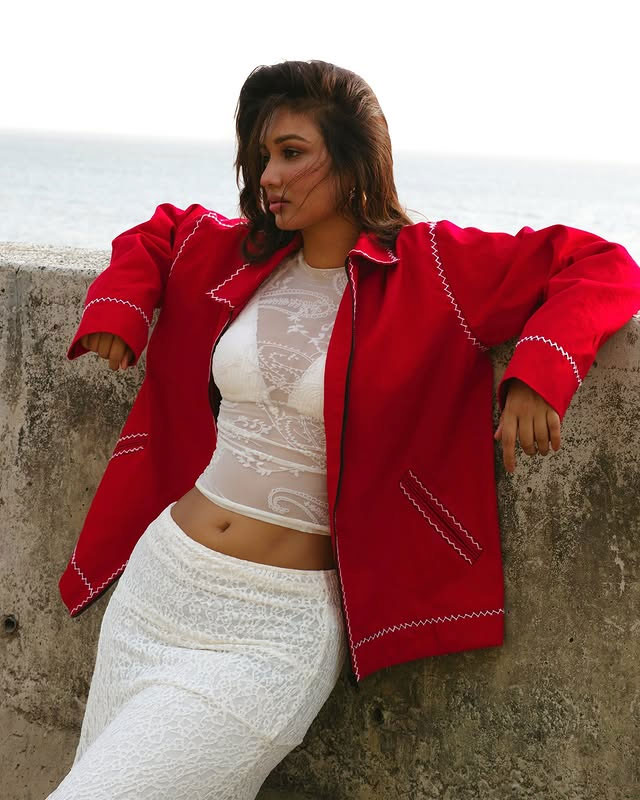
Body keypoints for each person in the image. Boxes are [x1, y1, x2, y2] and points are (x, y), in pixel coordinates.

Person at [48, 60, 640, 799]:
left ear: (355, 159)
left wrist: (537, 373)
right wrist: (121, 308)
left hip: (276, 629)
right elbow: (160, 232)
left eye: (292, 153)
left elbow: (600, 263)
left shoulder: (434, 268)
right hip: (162, 585)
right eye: (263, 155)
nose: (269, 175)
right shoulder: (235, 251)